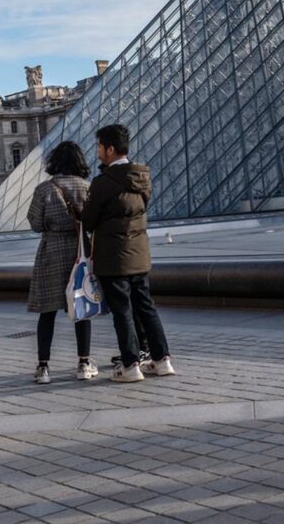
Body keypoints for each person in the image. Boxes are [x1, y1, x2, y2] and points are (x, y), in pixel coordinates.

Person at [82, 124, 174, 383]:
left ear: (110, 149)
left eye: (100, 146)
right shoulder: (142, 177)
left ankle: (131, 364)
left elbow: (88, 221)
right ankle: (162, 360)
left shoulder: (103, 183)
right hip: (140, 254)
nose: (98, 151)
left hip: (113, 258)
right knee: (146, 307)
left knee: (122, 311)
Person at [26, 141, 96, 384]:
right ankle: (84, 363)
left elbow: (35, 224)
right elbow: (94, 221)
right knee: (81, 310)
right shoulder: (87, 187)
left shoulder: (45, 189)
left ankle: (43, 367)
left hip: (51, 252)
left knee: (47, 311)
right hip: (79, 251)